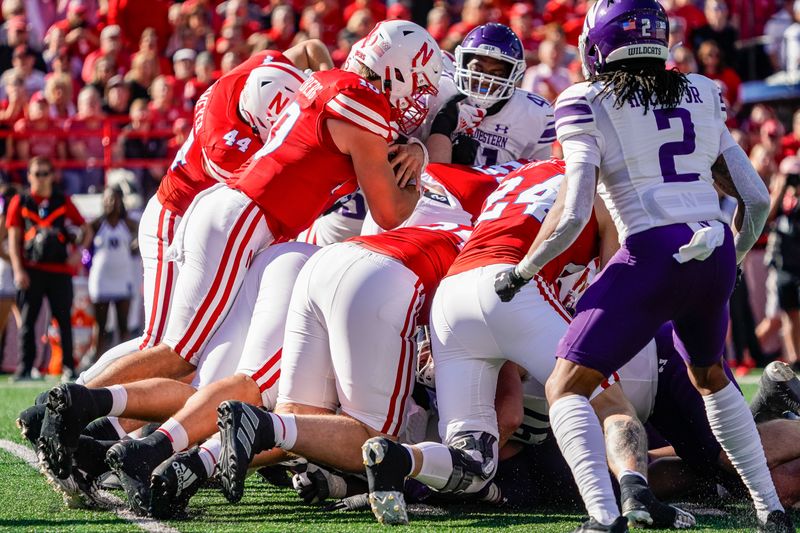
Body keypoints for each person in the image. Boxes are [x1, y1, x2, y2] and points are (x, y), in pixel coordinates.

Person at [491, 1, 787, 531]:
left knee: (566, 386)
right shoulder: (701, 91)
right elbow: (756, 199)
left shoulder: (585, 98)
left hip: (650, 252)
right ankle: (772, 512)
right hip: (713, 244)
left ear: (597, 44)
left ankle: (604, 517)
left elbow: (576, 208)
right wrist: (733, 259)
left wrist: (523, 270)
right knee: (713, 377)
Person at [7, 156, 91, 382]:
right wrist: (18, 270)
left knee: (63, 321)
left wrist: (78, 253)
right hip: (31, 269)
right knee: (28, 321)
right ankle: (25, 368)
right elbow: (14, 238)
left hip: (59, 270)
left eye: (46, 173)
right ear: (29, 176)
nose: (42, 178)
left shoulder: (62, 200)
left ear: (52, 176)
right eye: (37, 173)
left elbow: (86, 229)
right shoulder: (21, 201)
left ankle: (68, 367)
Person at [426, 23, 555, 166]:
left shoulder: (534, 114)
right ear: (462, 62)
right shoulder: (441, 91)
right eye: (477, 68)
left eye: (496, 73)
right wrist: (443, 121)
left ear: (513, 74)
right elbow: (433, 177)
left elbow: (537, 177)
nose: (484, 79)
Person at [87, 187, 137, 366]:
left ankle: (125, 364)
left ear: (121, 202)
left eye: (115, 199)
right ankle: (96, 362)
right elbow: (82, 243)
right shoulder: (96, 224)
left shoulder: (130, 224)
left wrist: (135, 245)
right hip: (101, 280)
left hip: (123, 278)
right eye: (108, 199)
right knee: (100, 326)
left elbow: (138, 244)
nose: (111, 203)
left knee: (123, 325)